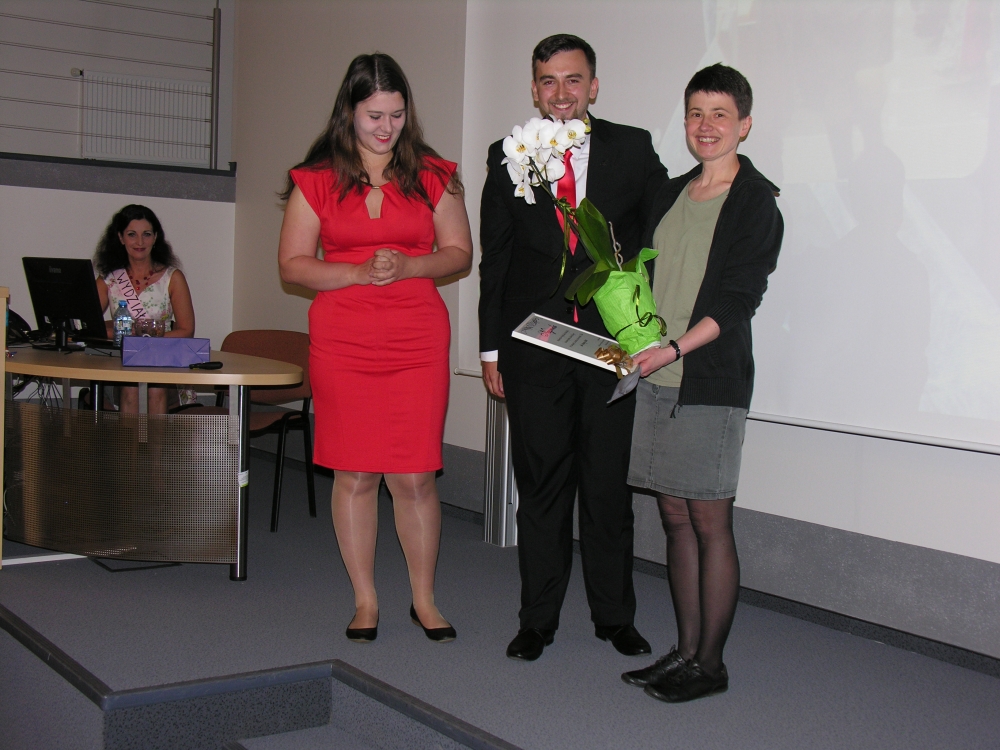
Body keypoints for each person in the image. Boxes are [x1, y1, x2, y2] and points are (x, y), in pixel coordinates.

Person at [479, 34, 668, 661]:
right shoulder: (507, 155)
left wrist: (640, 313)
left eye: (573, 79)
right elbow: (496, 258)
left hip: (610, 347)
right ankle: (537, 620)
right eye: (549, 81)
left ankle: (614, 617)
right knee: (541, 487)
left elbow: (663, 223)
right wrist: (490, 350)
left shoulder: (632, 148)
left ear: (594, 85)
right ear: (535, 90)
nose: (561, 93)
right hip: (535, 345)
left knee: (608, 488)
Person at [277, 53, 472, 644]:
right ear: (349, 112)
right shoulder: (314, 179)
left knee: (414, 476)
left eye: (396, 114)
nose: (387, 128)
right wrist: (356, 273)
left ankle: (424, 599)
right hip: (344, 340)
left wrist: (410, 264)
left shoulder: (434, 174)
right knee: (356, 473)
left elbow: (459, 253)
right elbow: (292, 265)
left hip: (416, 339)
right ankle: (365, 599)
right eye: (374, 116)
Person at [620, 64, 783, 702]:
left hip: (707, 381)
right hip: (656, 376)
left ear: (744, 124)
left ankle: (709, 665)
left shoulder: (755, 202)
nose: (705, 125)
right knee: (674, 517)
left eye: (720, 114)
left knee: (710, 522)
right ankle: (684, 652)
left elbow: (739, 299)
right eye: (695, 113)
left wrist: (673, 348)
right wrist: (631, 336)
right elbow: (642, 278)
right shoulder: (670, 193)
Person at [95, 204, 196, 415]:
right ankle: (130, 439)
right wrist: (125, 335)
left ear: (155, 237)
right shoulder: (109, 279)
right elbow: (90, 325)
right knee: (131, 386)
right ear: (121, 238)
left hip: (164, 363)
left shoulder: (172, 277)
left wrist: (147, 339)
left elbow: (187, 330)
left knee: (155, 385)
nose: (140, 242)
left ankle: (155, 440)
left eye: (147, 234)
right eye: (132, 234)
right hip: (124, 365)